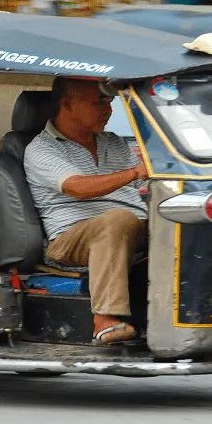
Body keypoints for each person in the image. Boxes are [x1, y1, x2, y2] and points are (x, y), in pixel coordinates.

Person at [23, 78, 148, 345]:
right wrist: (134, 173)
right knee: (118, 219)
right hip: (70, 239)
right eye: (99, 102)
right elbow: (77, 187)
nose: (108, 110)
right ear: (67, 104)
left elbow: (145, 181)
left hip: (131, 226)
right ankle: (104, 319)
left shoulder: (113, 142)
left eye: (110, 102)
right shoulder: (42, 149)